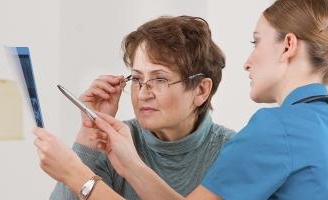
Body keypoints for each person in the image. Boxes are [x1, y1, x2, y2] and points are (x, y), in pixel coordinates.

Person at [60, 0, 328, 199]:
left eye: (256, 42)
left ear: (288, 45)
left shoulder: (273, 130)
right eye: (136, 78)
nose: (247, 62)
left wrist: (78, 176)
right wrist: (89, 145)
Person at [33, 15, 235, 200]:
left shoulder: (233, 151)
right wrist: (89, 132)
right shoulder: (114, 142)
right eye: (137, 78)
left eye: (160, 79)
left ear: (200, 90)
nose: (143, 93)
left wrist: (76, 173)